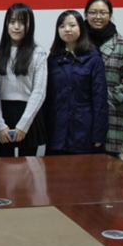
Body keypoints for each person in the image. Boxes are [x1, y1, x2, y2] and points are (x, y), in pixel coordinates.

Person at [43, 10, 108, 155]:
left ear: (81, 28)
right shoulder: (53, 58)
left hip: (84, 131)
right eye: (62, 26)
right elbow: (47, 98)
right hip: (57, 132)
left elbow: (100, 99)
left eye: (72, 25)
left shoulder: (93, 58)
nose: (67, 29)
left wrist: (99, 133)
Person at [84, 0, 123, 157]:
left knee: (108, 166)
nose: (98, 17)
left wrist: (106, 98)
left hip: (112, 114)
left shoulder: (122, 44)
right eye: (93, 12)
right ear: (86, 14)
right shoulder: (76, 43)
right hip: (81, 115)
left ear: (110, 15)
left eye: (103, 12)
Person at [0, 3, 48, 157]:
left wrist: (24, 124)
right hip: (3, 114)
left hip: (29, 115)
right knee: (3, 167)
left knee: (28, 167)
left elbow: (39, 91)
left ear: (30, 25)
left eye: (22, 22)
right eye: (12, 22)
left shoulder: (38, 53)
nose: (16, 27)